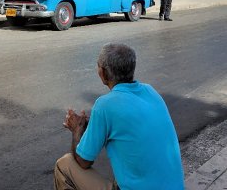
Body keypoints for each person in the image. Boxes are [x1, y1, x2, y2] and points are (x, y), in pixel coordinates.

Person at [54, 43, 184, 190]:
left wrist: (77, 130)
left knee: (64, 165)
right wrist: (92, 125)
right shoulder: (150, 91)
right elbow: (127, 125)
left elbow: (83, 161)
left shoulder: (104, 105)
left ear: (102, 73)